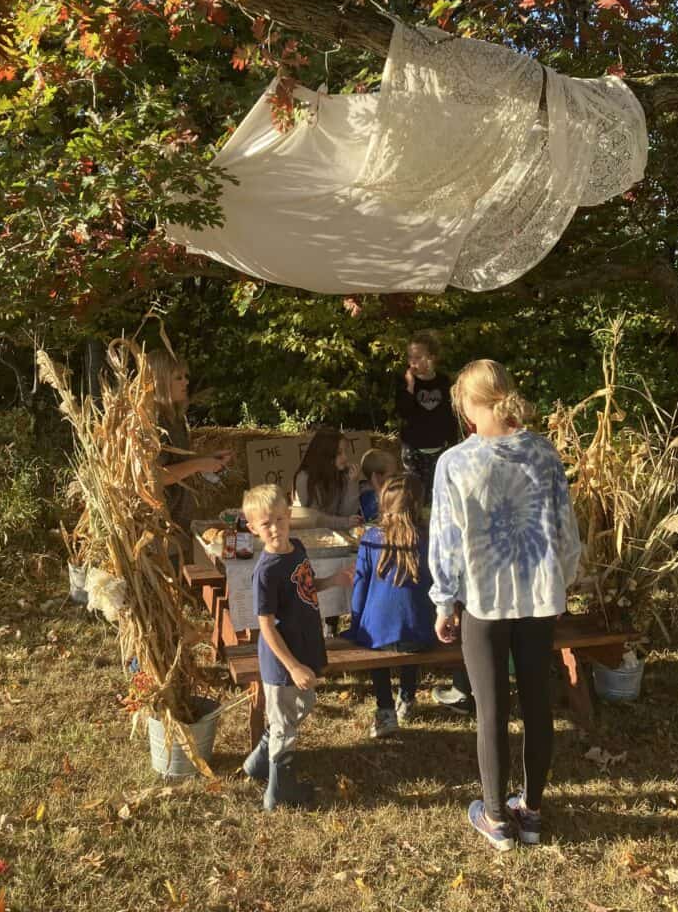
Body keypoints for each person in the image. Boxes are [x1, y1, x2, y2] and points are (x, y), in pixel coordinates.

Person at [429, 359, 581, 852]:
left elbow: (446, 541)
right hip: (538, 598)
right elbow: (564, 529)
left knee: (490, 710)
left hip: (484, 601)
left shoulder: (454, 462)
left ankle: (496, 818)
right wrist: (561, 584)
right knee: (538, 705)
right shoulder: (543, 452)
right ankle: (531, 813)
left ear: (471, 406)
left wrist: (443, 600)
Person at [241, 484, 354, 811]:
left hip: (305, 647)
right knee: (285, 725)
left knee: (301, 705)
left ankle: (258, 762)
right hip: (282, 661)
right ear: (253, 529)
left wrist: (333, 581)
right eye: (266, 524)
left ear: (289, 516)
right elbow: (265, 625)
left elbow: (306, 586)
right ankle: (279, 791)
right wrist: (292, 666)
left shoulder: (298, 548)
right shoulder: (266, 572)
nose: (275, 528)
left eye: (279, 519)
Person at [344, 474, 436, 738]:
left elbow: (359, 588)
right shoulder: (427, 537)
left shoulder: (372, 537)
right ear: (419, 503)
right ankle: (407, 697)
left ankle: (385, 709)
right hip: (420, 633)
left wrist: (355, 623)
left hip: (379, 634)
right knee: (409, 626)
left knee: (376, 635)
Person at [147, 349, 231, 562]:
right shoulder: (153, 422)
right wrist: (200, 463)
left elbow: (180, 462)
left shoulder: (174, 418)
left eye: (186, 376)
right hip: (161, 527)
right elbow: (156, 477)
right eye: (178, 377)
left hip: (179, 520)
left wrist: (208, 460)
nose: (186, 382)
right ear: (160, 381)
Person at [395, 330, 457, 506]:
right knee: (415, 496)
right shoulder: (405, 382)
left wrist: (452, 444)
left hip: (440, 448)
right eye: (410, 357)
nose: (413, 362)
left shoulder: (444, 382)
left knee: (439, 494)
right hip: (414, 449)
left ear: (432, 358)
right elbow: (403, 412)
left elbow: (450, 414)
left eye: (418, 357)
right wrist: (411, 387)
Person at [292, 427, 362, 529]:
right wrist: (344, 522)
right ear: (324, 455)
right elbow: (315, 519)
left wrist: (353, 482)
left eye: (345, 452)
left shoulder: (341, 474)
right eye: (339, 453)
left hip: (336, 531)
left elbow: (347, 513)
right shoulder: (305, 478)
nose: (345, 457)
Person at [358, 447, 399, 522]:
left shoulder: (391, 489)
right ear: (376, 477)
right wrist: (378, 490)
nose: (395, 479)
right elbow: (379, 520)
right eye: (391, 476)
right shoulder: (367, 496)